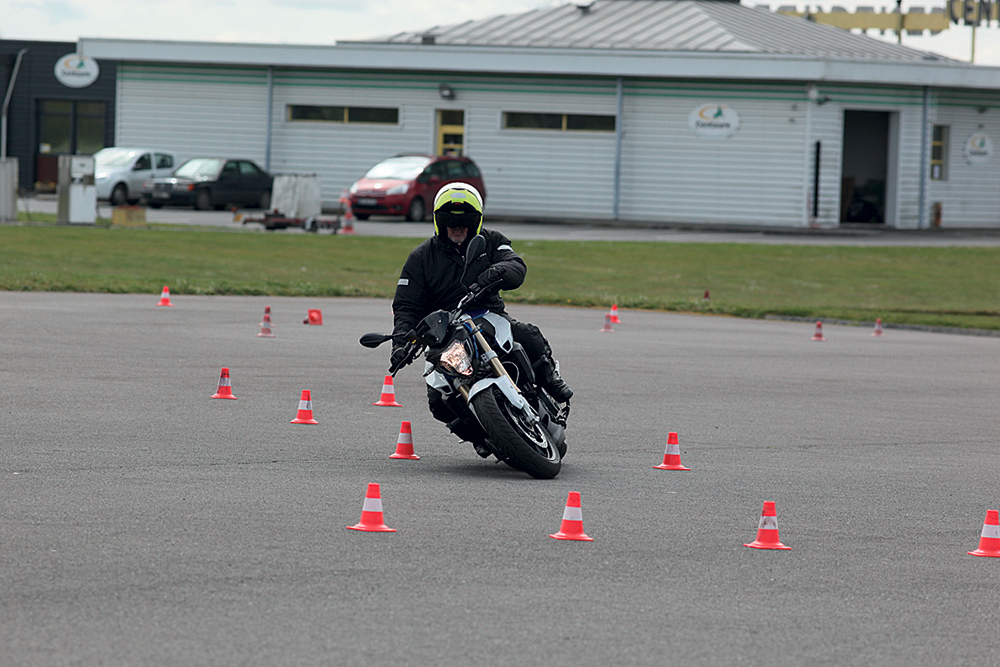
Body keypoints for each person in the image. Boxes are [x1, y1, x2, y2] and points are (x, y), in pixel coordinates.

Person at [390, 182, 573, 456]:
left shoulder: (491, 241)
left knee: (527, 334)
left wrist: (497, 272)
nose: (458, 227)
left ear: (476, 222)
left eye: (465, 221)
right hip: (445, 333)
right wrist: (401, 343)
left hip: (485, 315)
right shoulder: (420, 258)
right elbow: (406, 306)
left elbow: (516, 265)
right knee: (438, 400)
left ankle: (551, 380)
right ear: (439, 222)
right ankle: (482, 436)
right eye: (451, 221)